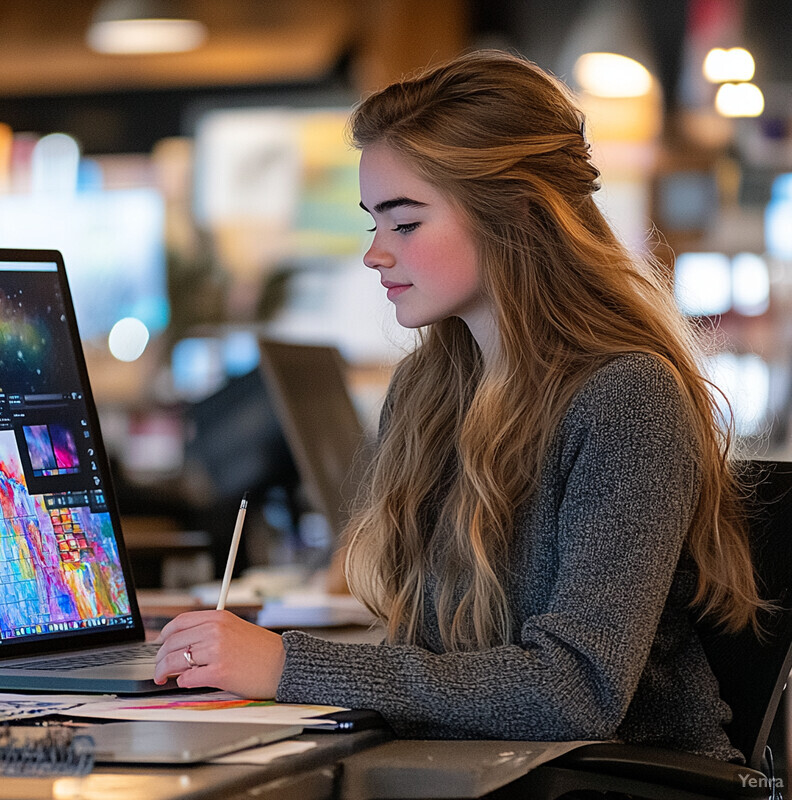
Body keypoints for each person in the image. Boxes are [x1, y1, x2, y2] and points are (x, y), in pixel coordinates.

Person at [154, 50, 763, 760]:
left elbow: (578, 690)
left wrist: (289, 665)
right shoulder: (428, 395)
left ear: (516, 216)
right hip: (481, 767)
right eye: (372, 222)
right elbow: (435, 656)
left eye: (405, 223)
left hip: (618, 780)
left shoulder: (627, 399)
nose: (375, 254)